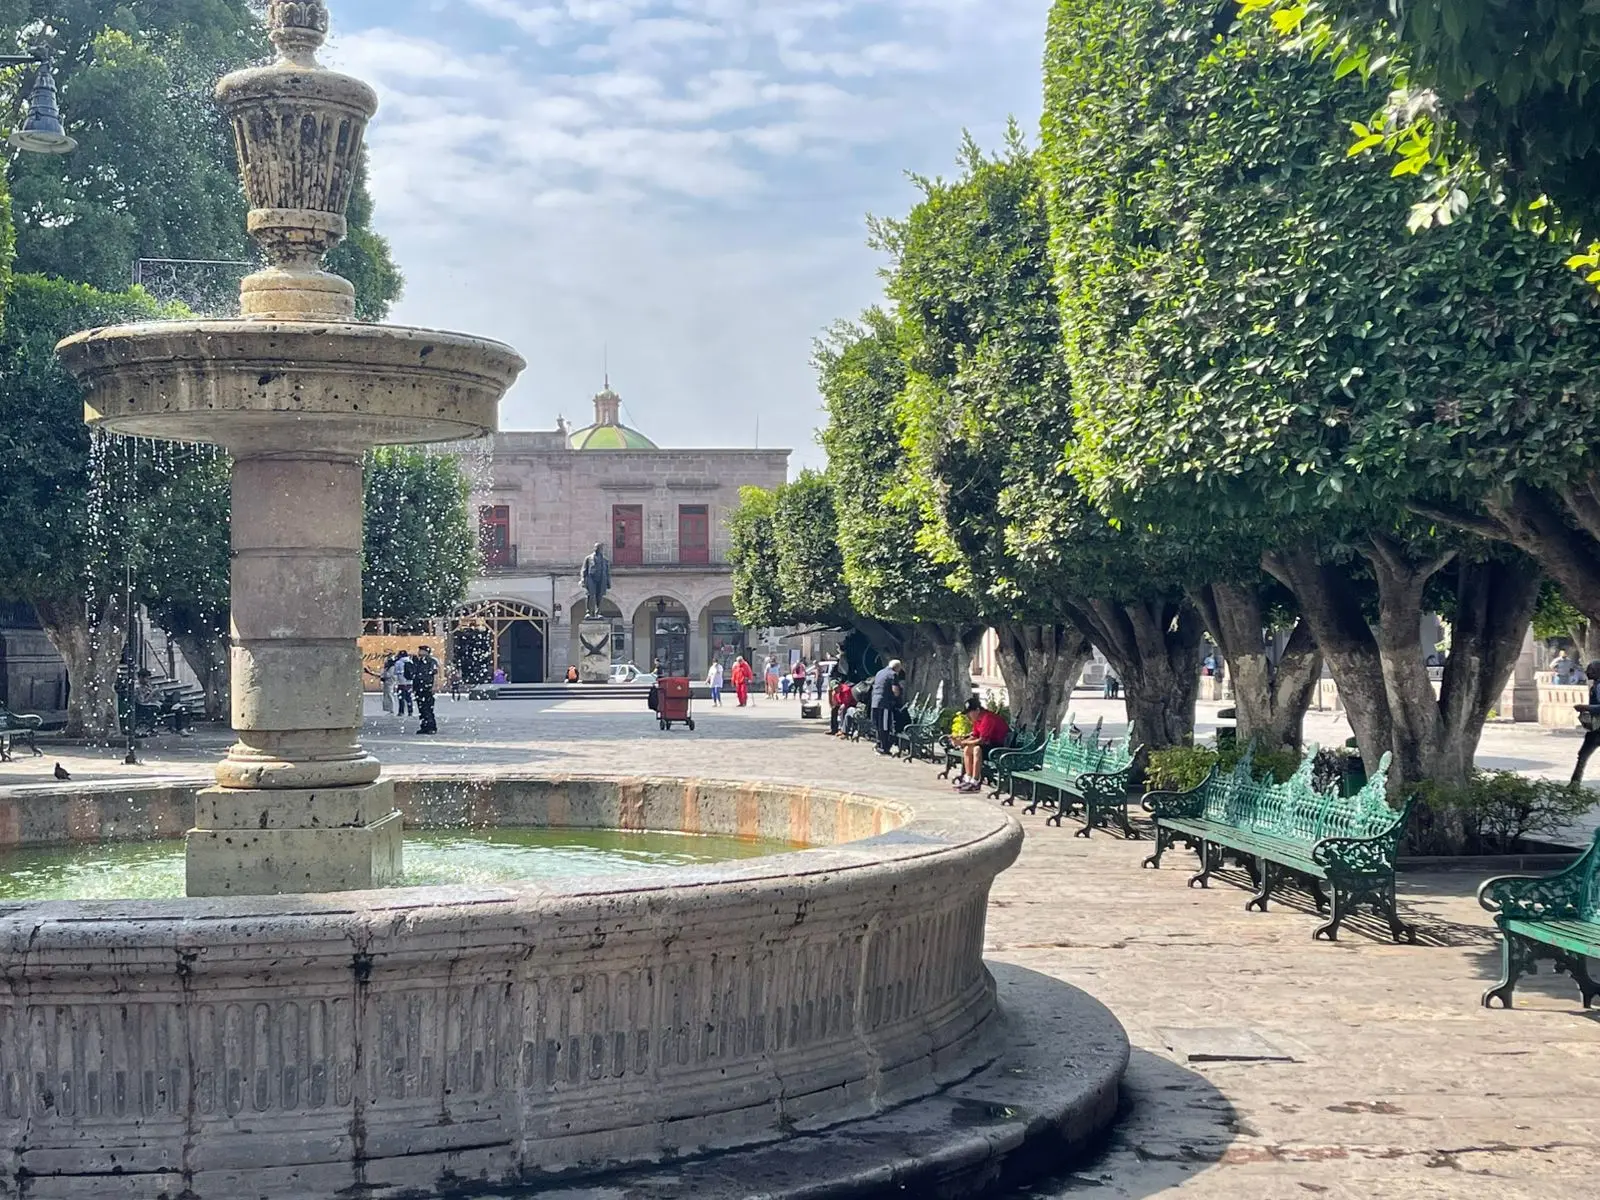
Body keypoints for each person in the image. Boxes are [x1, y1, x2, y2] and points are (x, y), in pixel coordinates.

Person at [953, 697, 1009, 793]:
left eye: (970, 712)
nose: (968, 715)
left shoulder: (988, 718)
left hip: (999, 747)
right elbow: (975, 736)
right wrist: (961, 741)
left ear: (977, 710)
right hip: (989, 745)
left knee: (977, 749)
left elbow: (982, 741)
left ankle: (975, 782)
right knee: (967, 749)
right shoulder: (977, 720)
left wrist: (962, 742)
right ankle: (968, 778)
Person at [133, 670, 192, 735]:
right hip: (151, 706)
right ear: (141, 677)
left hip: (158, 702)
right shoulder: (137, 688)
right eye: (146, 678)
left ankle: (175, 705)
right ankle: (180, 728)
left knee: (176, 693)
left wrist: (159, 694)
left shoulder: (147, 685)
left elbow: (157, 697)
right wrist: (152, 693)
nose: (148, 680)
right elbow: (143, 701)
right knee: (178, 708)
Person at [1572, 661, 1600, 785]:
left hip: (1597, 728)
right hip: (1595, 728)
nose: (1587, 672)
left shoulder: (1599, 686)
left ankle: (1575, 784)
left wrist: (1586, 707)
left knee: (1583, 755)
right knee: (1583, 755)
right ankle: (1574, 783)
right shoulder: (1596, 685)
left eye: (1591, 670)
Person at [870, 659, 905, 755]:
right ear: (897, 667)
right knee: (884, 726)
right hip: (884, 703)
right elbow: (895, 690)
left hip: (875, 702)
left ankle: (878, 744)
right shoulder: (892, 674)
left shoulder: (879, 672)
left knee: (878, 725)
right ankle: (884, 747)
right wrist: (898, 698)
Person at [413, 645, 440, 735]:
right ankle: (424, 726)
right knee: (421, 709)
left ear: (426, 652)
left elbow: (435, 674)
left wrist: (434, 686)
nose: (419, 652)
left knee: (428, 708)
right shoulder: (418, 662)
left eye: (421, 650)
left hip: (427, 687)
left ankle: (431, 727)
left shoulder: (431, 661)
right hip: (419, 688)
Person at [393, 649, 415, 718]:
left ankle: (401, 711)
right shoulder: (410, 661)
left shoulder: (398, 662)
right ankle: (410, 711)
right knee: (409, 698)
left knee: (401, 698)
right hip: (409, 682)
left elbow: (395, 672)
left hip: (401, 683)